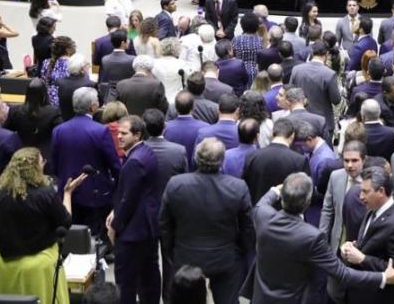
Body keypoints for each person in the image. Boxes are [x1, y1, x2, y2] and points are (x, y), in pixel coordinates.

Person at [242, 172, 394, 303]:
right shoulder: (312, 237)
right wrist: (383, 277)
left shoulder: (262, 217)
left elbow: (261, 203)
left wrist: (275, 191)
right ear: (308, 202)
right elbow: (342, 273)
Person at [0, 148, 87, 304]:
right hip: (39, 268)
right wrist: (67, 194)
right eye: (41, 162)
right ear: (35, 167)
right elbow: (65, 223)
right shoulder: (45, 194)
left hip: (6, 267)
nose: (44, 164)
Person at [160, 137, 254, 304]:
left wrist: (170, 251)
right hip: (225, 257)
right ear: (222, 161)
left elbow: (165, 224)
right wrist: (240, 252)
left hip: (186, 255)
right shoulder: (238, 187)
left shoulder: (176, 184)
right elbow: (247, 228)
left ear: (196, 158)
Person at [52, 88, 122, 240]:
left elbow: (55, 165)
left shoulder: (58, 130)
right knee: (92, 240)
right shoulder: (100, 131)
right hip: (94, 195)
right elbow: (114, 165)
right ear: (92, 106)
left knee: (72, 237)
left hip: (67, 193)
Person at [107, 115, 161, 304]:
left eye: (124, 133)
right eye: (118, 132)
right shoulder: (146, 152)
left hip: (133, 231)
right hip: (147, 227)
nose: (119, 136)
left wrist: (114, 225)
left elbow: (128, 199)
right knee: (149, 275)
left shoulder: (134, 162)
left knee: (126, 282)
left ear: (137, 135)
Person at [338, 166, 394, 304]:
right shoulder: (372, 210)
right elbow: (369, 244)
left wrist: (362, 258)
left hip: (377, 297)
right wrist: (351, 248)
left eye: (365, 192)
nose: (361, 197)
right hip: (358, 292)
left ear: (381, 192)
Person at [242, 118, 310, 204]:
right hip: (286, 213)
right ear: (292, 136)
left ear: (272, 134)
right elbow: (305, 191)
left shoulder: (252, 156)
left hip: (258, 211)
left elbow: (245, 187)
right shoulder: (300, 160)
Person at [4, 78, 63, 170]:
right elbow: (60, 134)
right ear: (44, 94)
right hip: (44, 157)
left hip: (21, 154)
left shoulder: (15, 111)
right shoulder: (53, 112)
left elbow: (5, 131)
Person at [290, 41, 342, 140]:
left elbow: (290, 92)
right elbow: (336, 100)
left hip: (300, 119)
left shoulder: (296, 69)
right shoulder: (329, 74)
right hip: (323, 121)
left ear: (312, 52)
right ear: (327, 54)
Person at [40, 36, 75, 106]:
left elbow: (43, 80)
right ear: (68, 50)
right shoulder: (72, 64)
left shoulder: (46, 62)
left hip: (47, 102)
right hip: (65, 104)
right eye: (73, 46)